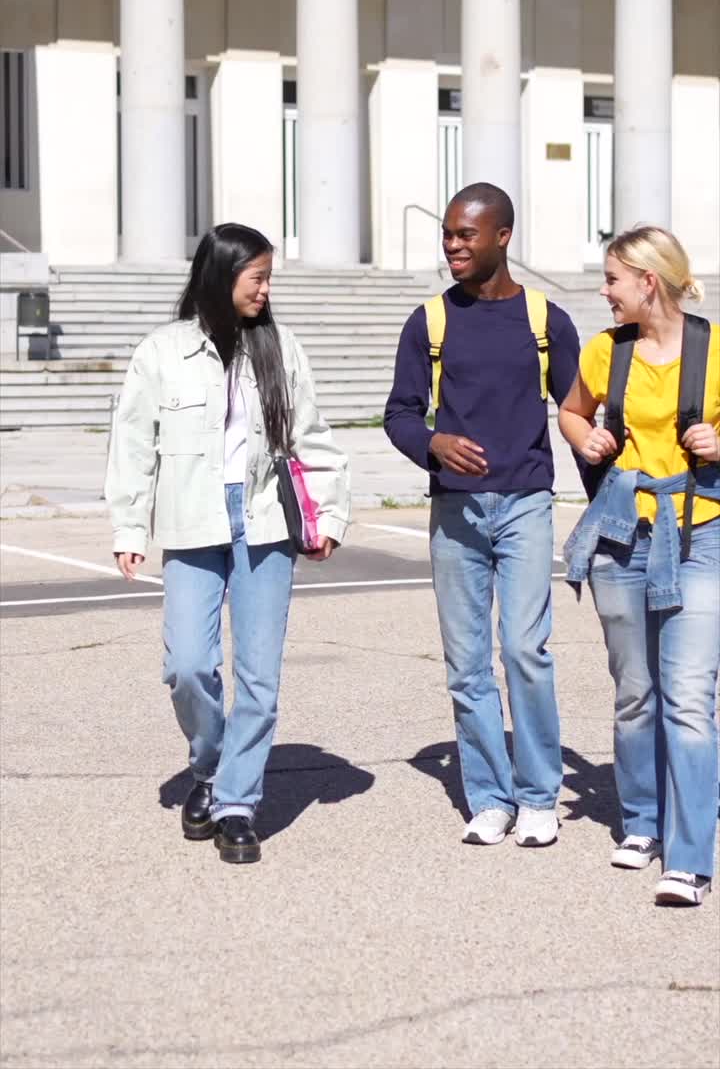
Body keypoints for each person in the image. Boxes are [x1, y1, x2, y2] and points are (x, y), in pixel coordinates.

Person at [106, 224, 350, 865]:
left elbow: (312, 436)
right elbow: (133, 445)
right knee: (186, 664)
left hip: (265, 521)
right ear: (221, 276)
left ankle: (237, 800)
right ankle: (210, 769)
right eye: (257, 278)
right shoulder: (161, 352)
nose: (267, 291)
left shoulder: (280, 347)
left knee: (259, 678)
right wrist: (129, 527)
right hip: (191, 520)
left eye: (269, 279)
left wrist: (327, 515)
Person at [385, 182, 580, 847]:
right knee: (467, 663)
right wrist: (431, 444)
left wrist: (607, 501)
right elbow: (400, 414)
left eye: (466, 235)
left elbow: (578, 413)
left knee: (525, 651)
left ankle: (537, 796)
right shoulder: (429, 322)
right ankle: (490, 797)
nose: (452, 246)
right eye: (447, 234)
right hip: (456, 514)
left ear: (503, 237)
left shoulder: (544, 320)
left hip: (526, 502)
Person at [559, 226, 720, 907]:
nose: (604, 291)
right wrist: (586, 434)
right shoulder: (605, 351)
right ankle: (642, 824)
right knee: (634, 694)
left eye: (612, 279)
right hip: (623, 536)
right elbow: (569, 410)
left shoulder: (714, 349)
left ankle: (688, 858)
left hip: (700, 537)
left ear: (647, 281)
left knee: (689, 697)